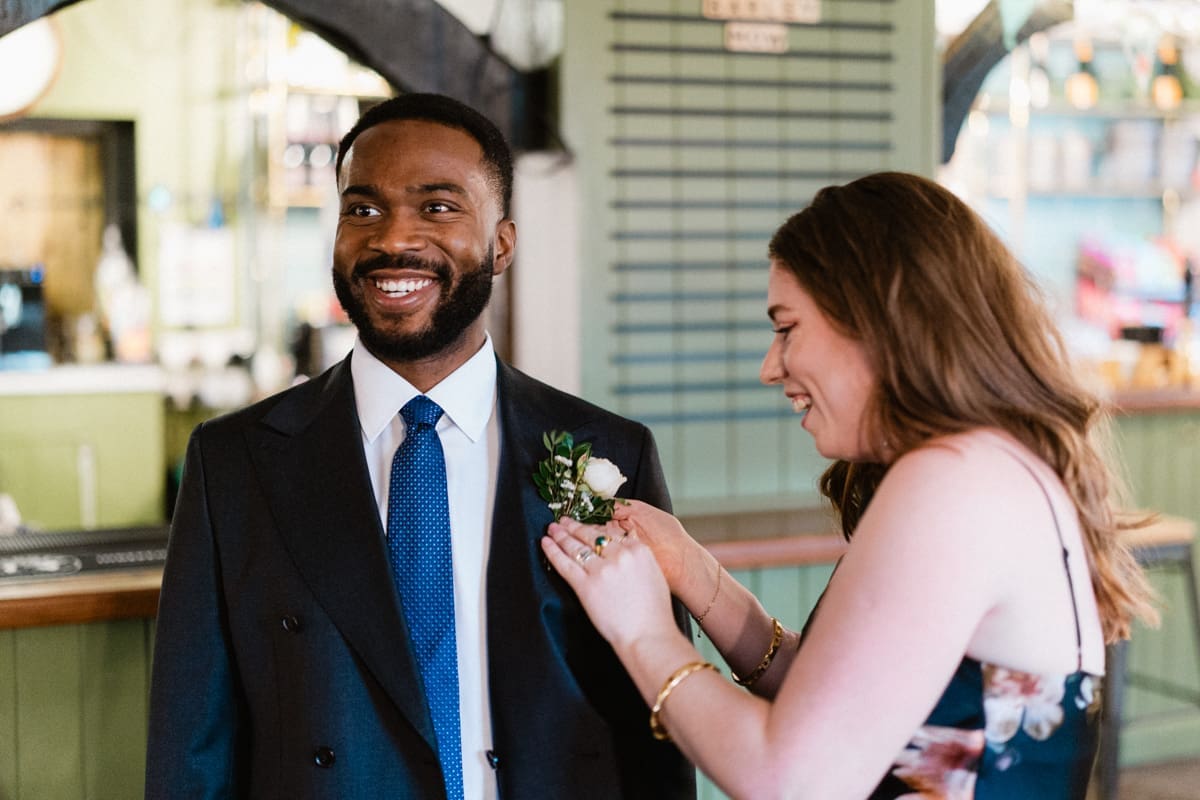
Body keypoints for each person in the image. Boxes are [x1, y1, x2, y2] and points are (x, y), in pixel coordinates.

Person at [145, 93, 695, 799]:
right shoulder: (234, 464)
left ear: (501, 243)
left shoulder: (610, 452)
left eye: (437, 206)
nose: (392, 239)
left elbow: (656, 722)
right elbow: (191, 750)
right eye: (362, 209)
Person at [542, 171, 1158, 799]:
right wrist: (694, 573)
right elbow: (837, 703)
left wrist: (642, 630)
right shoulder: (985, 469)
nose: (769, 366)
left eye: (787, 328)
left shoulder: (955, 484)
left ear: (874, 319)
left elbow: (789, 777)